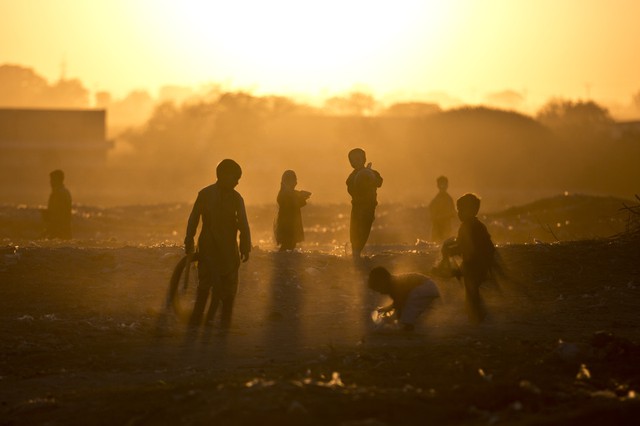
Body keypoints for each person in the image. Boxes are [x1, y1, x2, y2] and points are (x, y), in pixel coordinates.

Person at [184, 159, 251, 330]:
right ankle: (197, 321)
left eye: (239, 178)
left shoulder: (237, 198)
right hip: (209, 248)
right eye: (235, 177)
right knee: (205, 285)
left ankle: (223, 324)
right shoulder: (205, 194)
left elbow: (243, 224)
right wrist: (189, 239)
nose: (237, 181)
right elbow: (194, 218)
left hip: (228, 250)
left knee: (228, 288)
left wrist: (245, 246)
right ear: (222, 176)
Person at [439, 193, 495, 324]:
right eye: (458, 210)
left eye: (461, 210)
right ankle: (477, 317)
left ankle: (476, 318)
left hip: (474, 266)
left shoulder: (467, 226)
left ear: (470, 210)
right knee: (471, 292)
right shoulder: (476, 225)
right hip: (478, 265)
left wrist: (450, 250)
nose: (459, 213)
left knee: (471, 293)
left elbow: (465, 247)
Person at [368, 266, 440, 331]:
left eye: (378, 289)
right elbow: (399, 303)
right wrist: (391, 309)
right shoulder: (393, 283)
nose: (380, 292)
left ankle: (407, 325)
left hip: (426, 287)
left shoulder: (394, 284)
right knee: (409, 305)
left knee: (410, 305)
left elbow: (400, 302)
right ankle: (408, 323)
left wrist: (389, 309)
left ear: (383, 282)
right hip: (428, 287)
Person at [346, 148, 383, 259]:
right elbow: (350, 189)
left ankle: (357, 252)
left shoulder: (372, 173)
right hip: (357, 207)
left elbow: (379, 182)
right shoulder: (351, 177)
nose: (356, 162)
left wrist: (370, 174)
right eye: (353, 160)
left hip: (369, 207)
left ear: (364, 159)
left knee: (365, 229)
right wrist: (360, 180)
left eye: (358, 159)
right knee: (355, 229)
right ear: (351, 163)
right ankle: (355, 253)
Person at [274, 170, 311, 251]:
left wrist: (302, 196)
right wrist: (300, 196)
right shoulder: (284, 194)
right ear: (287, 181)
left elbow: (297, 203)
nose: (296, 183)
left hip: (291, 226)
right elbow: (291, 203)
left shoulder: (291, 193)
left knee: (290, 247)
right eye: (294, 180)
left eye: (296, 180)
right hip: (287, 227)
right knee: (286, 246)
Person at [42, 169, 72, 239]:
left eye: (52, 180)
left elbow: (58, 215)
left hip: (59, 232)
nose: (50, 182)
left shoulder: (58, 194)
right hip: (64, 230)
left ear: (57, 180)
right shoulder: (65, 192)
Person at [428, 176, 456, 243]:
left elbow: (453, 213)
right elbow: (432, 215)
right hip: (438, 227)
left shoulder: (448, 199)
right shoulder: (436, 200)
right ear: (438, 185)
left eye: (444, 184)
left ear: (447, 185)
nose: (443, 186)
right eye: (441, 184)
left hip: (445, 227)